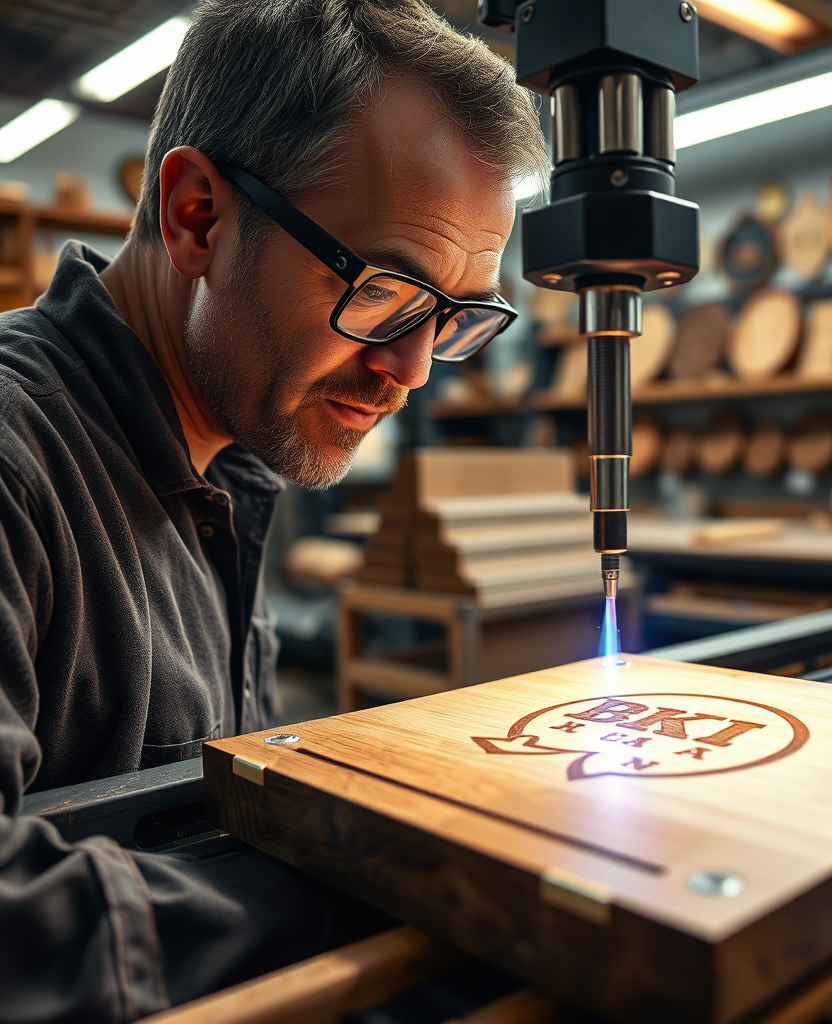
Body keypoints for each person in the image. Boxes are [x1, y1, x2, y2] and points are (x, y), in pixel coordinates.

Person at [0, 0, 547, 1018]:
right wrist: (357, 878)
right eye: (386, 288)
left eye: (456, 316)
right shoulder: (16, 463)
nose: (411, 370)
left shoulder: (228, 457)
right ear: (198, 215)